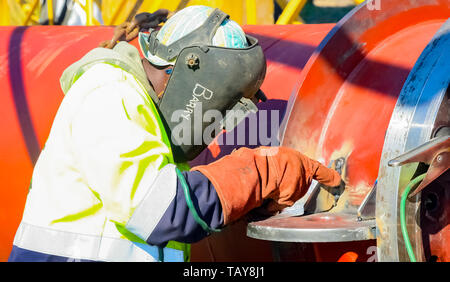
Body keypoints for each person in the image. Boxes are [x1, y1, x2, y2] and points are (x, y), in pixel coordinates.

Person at [9, 5, 343, 262]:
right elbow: (161, 212)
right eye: (222, 105)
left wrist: (241, 203)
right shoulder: (110, 96)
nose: (221, 123)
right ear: (187, 72)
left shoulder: (151, 127)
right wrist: (257, 175)